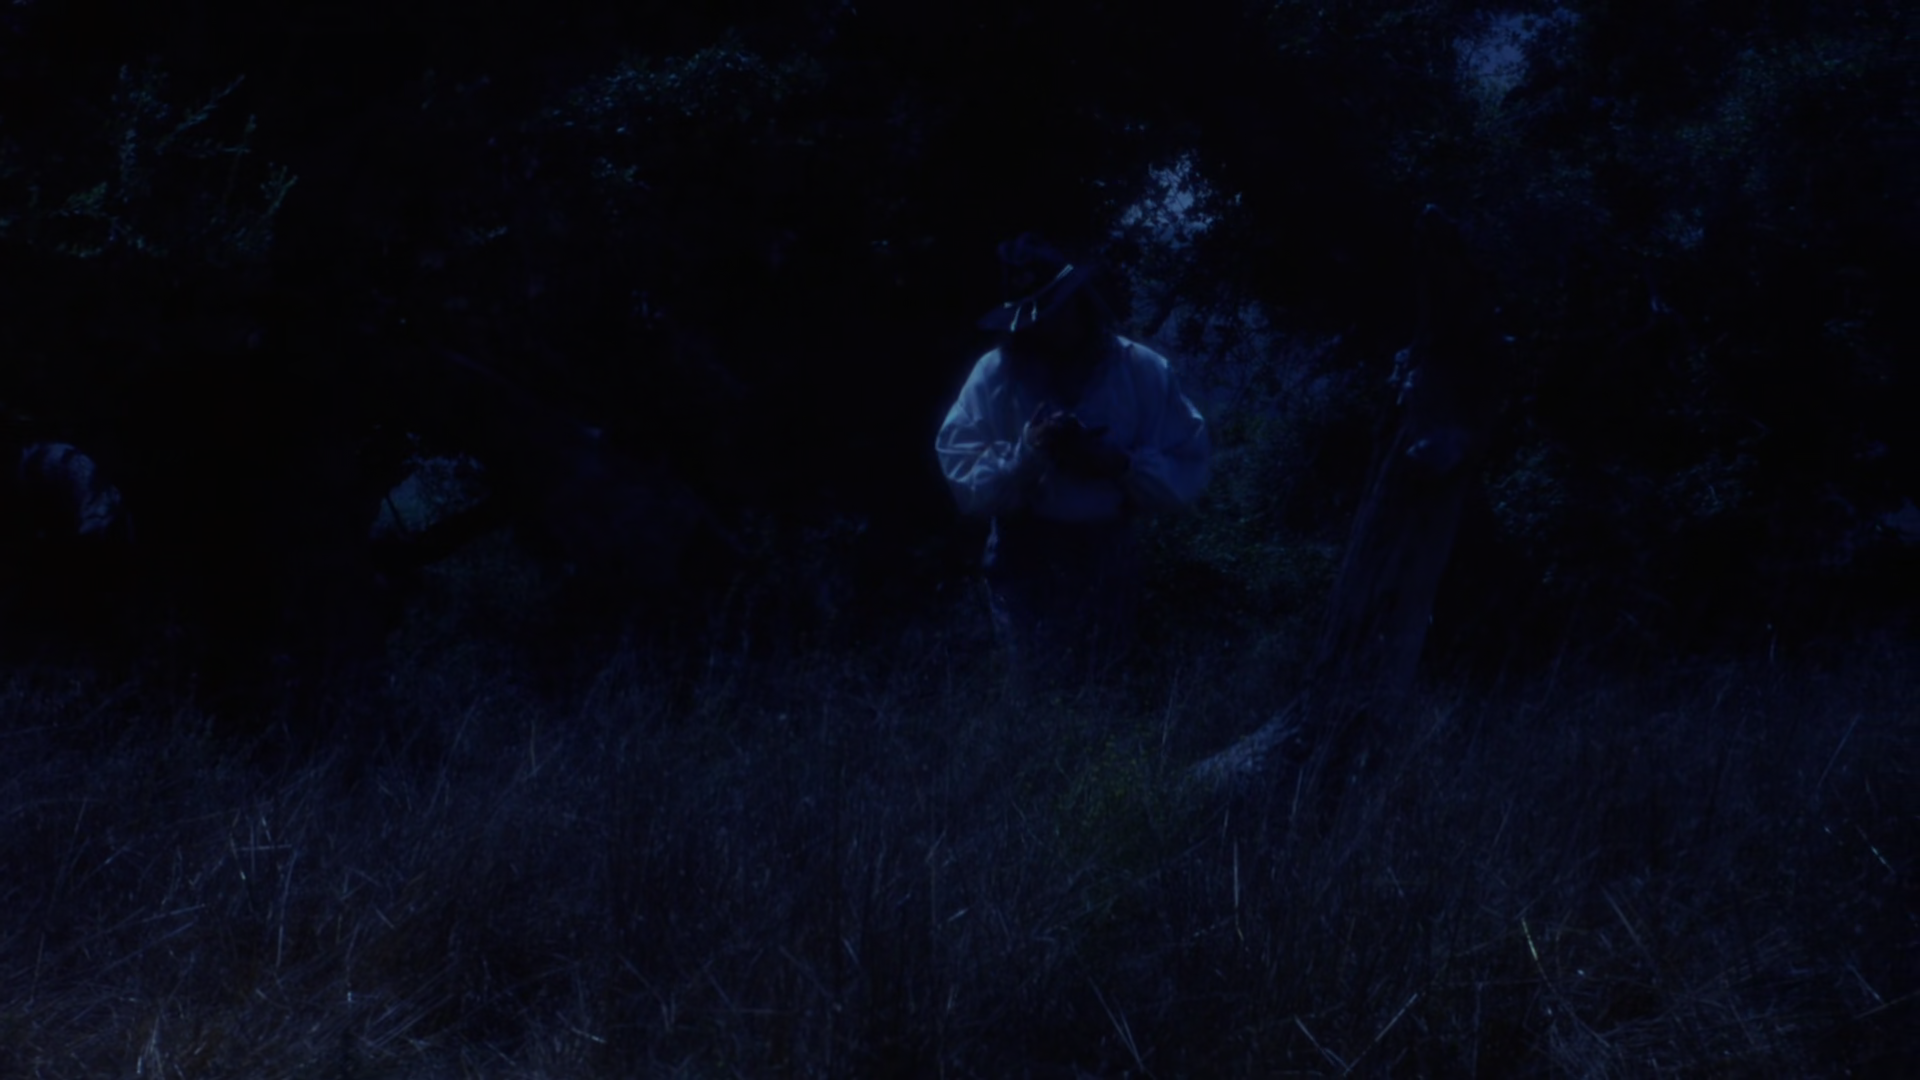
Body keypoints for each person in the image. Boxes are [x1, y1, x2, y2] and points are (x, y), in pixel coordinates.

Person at [936, 234, 1211, 692]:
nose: (1047, 327)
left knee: (1103, 688)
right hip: (1022, 563)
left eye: (1056, 311)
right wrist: (1029, 451)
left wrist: (1115, 463)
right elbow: (963, 475)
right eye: (1035, 317)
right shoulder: (995, 374)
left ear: (1080, 302)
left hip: (1108, 558)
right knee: (1033, 693)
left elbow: (1188, 463)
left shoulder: (1140, 370)